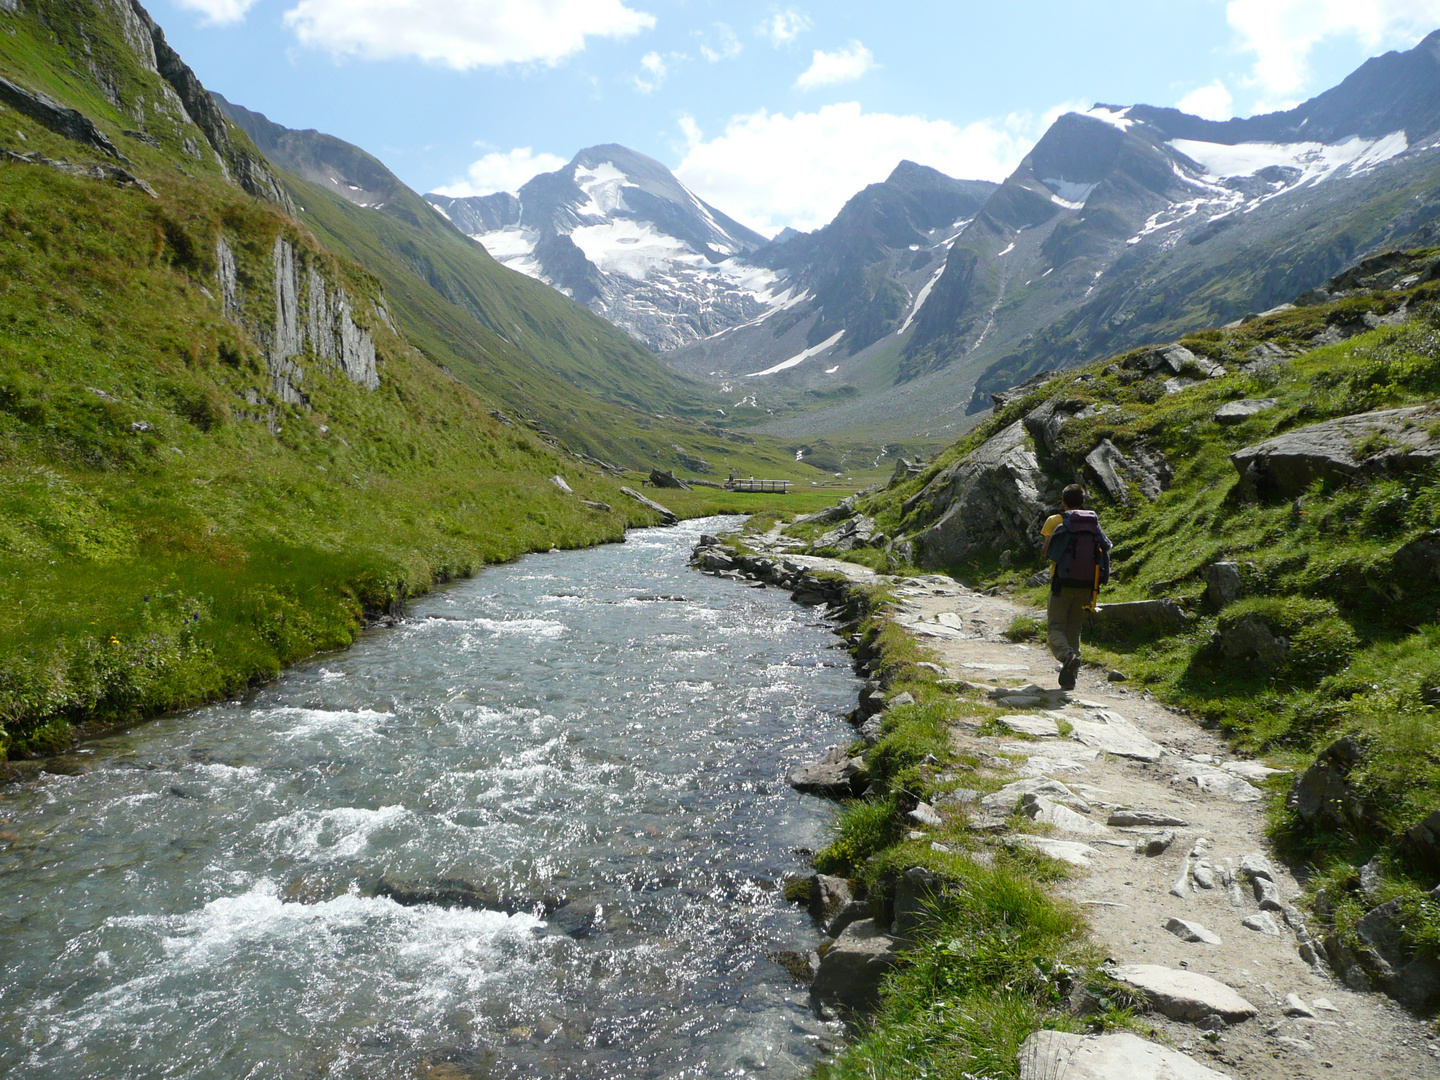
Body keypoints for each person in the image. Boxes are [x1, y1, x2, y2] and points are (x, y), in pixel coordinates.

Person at [1041, 484, 1111, 691]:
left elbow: (1048, 552)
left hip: (1062, 582)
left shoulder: (1055, 520)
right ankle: (1070, 680)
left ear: (1063, 501)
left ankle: (1067, 656)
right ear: (1082, 502)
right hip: (1088, 585)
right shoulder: (1092, 523)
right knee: (1074, 629)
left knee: (1055, 627)